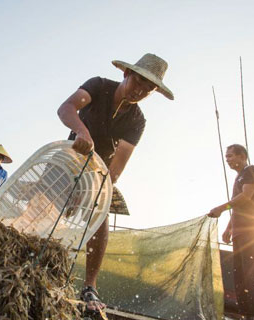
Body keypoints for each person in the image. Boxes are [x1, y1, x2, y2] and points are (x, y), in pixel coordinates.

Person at [57, 53, 174, 312]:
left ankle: (90, 286)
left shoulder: (137, 121)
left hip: (99, 171)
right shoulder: (98, 86)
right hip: (69, 157)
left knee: (100, 215)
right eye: (137, 83)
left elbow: (117, 166)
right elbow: (66, 108)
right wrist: (82, 131)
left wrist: (94, 191)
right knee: (48, 205)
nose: (140, 91)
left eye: (148, 89)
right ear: (126, 74)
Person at [208, 144, 254, 320]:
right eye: (226, 157)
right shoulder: (239, 178)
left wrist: (221, 208)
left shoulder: (251, 171)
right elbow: (240, 206)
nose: (227, 160)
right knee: (241, 275)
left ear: (242, 156)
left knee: (253, 273)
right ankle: (248, 314)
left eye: (230, 156)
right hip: (240, 233)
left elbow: (246, 197)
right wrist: (229, 227)